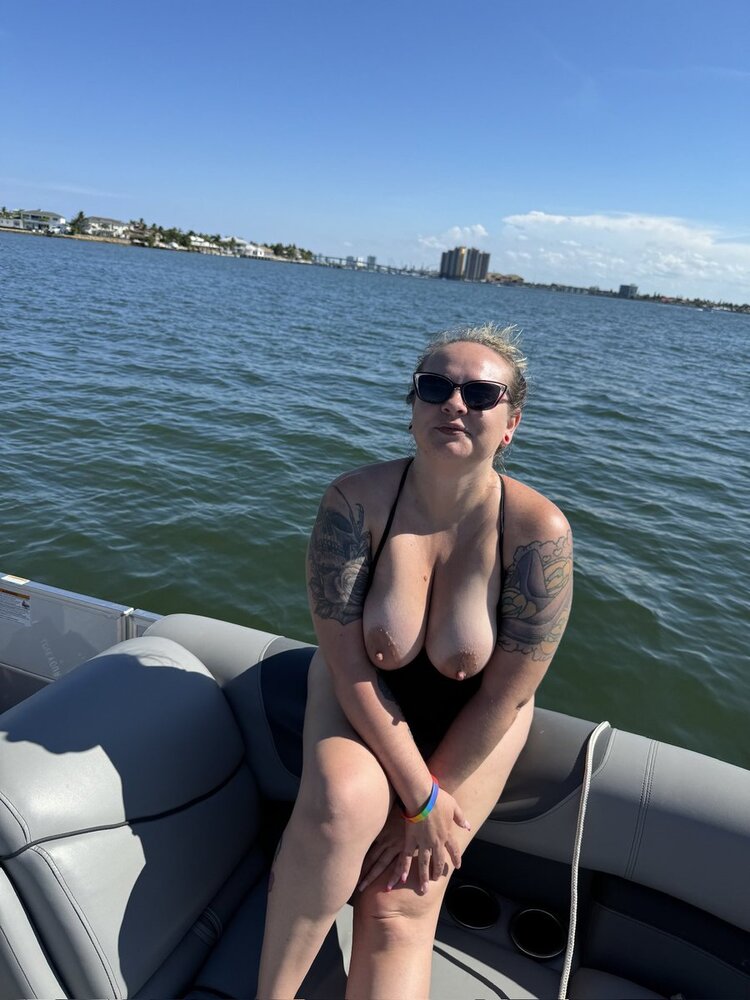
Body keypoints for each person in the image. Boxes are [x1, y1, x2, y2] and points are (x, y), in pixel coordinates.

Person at [257, 323, 573, 999]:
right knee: (340, 809)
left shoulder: (536, 532)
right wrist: (420, 797)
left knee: (403, 898)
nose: (454, 404)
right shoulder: (356, 502)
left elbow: (507, 694)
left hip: (479, 716)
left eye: (481, 394)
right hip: (364, 692)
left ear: (511, 424)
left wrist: (424, 812)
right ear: (413, 407)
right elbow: (348, 665)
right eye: (435, 387)